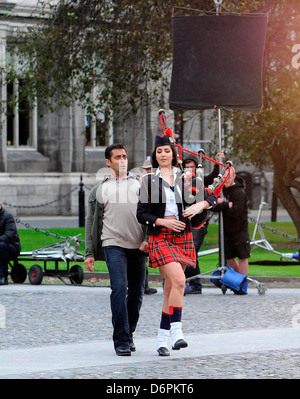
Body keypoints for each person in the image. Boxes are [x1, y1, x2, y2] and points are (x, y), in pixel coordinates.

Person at [137, 135, 217, 356]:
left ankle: (161, 340)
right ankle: (177, 331)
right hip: (160, 237)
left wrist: (199, 203)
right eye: (159, 151)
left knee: (171, 288)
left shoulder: (187, 177)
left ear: (174, 154)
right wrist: (162, 221)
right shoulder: (148, 181)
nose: (163, 155)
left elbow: (211, 198)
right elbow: (141, 214)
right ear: (155, 155)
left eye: (167, 151)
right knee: (179, 280)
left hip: (182, 236)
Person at [85, 143, 148, 356]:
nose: (122, 160)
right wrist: (89, 253)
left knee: (137, 293)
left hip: (138, 246)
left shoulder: (140, 185)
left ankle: (129, 332)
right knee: (119, 289)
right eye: (117, 157)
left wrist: (147, 239)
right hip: (112, 245)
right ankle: (120, 340)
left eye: (124, 156)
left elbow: (150, 215)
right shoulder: (100, 189)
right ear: (108, 162)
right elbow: (91, 221)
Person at [183, 151, 225, 294]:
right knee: (188, 252)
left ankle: (192, 283)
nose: (189, 169)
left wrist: (218, 160)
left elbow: (215, 176)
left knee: (192, 251)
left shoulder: (201, 181)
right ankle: (193, 284)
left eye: (192, 167)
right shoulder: (181, 181)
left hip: (199, 224)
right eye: (187, 167)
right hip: (184, 222)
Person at [211, 166, 250, 284]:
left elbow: (236, 211)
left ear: (234, 176)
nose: (227, 179)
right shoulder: (221, 190)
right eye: (224, 177)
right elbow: (213, 206)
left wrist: (223, 205)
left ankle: (242, 283)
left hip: (239, 229)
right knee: (229, 258)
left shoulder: (239, 192)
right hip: (226, 230)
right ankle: (239, 280)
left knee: (242, 256)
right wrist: (227, 205)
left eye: (229, 176)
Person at [141, 159, 157, 295]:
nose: (148, 171)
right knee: (141, 259)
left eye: (150, 169)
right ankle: (143, 285)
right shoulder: (141, 185)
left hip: (151, 226)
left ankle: (144, 285)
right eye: (146, 169)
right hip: (140, 227)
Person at [0, 203, 21, 285]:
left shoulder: (8, 216)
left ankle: (2, 276)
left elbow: (9, 235)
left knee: (1, 246)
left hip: (12, 246)